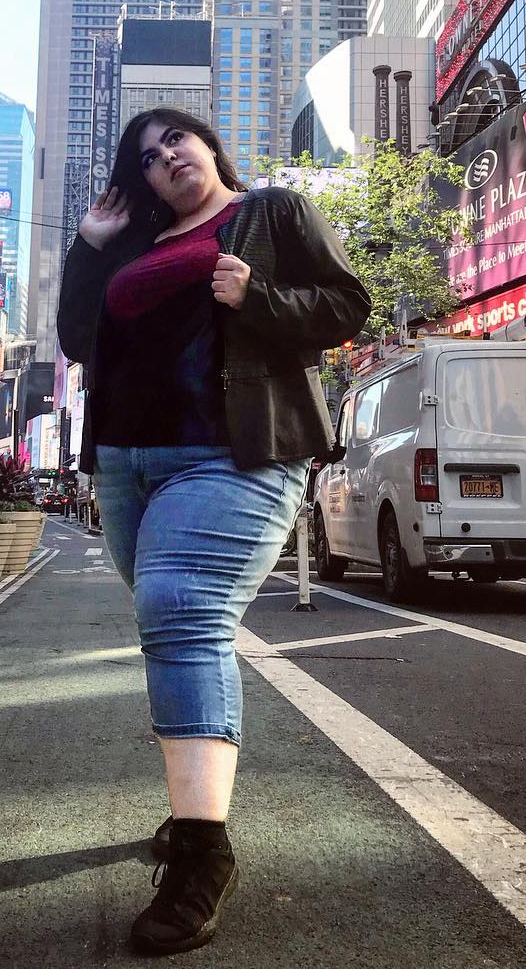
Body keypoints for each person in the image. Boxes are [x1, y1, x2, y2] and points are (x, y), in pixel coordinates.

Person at [57, 108, 371, 956]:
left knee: (181, 609)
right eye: (147, 158)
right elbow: (77, 340)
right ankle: (192, 807)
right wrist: (88, 247)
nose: (165, 158)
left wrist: (255, 296)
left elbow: (348, 305)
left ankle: (203, 853)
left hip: (236, 453)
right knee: (170, 622)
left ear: (208, 146)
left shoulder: (271, 213)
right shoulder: (132, 246)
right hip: (127, 464)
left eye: (176, 141)